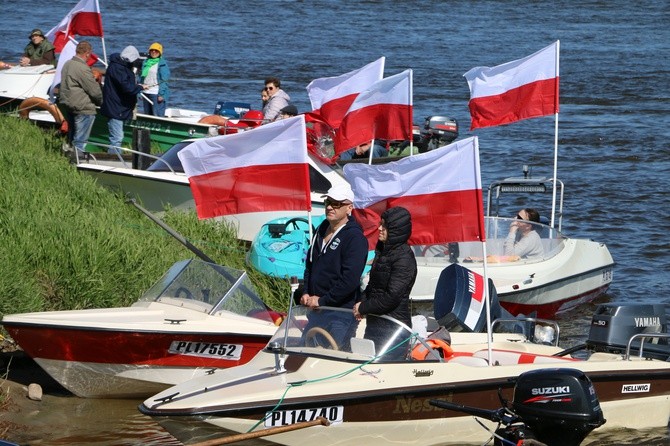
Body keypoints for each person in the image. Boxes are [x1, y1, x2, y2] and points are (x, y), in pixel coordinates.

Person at [300, 183, 369, 348]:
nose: (330, 207)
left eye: (337, 203)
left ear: (349, 208)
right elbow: (310, 265)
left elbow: (350, 279)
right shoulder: (321, 229)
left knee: (333, 360)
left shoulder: (355, 238)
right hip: (317, 312)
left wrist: (323, 300)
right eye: (328, 202)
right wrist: (306, 292)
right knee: (303, 351)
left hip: (340, 314)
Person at [353, 207, 417, 360]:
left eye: (384, 225)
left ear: (395, 230)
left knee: (384, 371)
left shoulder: (404, 259)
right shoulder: (383, 252)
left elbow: (392, 297)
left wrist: (363, 307)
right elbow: (373, 286)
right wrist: (361, 302)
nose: (379, 228)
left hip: (394, 328)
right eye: (380, 224)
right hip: (376, 324)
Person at [59, 41, 103, 157]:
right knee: (80, 141)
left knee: (72, 137)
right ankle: (77, 162)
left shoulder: (67, 64)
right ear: (87, 53)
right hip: (83, 108)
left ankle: (68, 158)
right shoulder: (82, 68)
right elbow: (94, 91)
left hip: (69, 105)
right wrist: (101, 102)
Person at [100, 46, 146, 155]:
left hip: (116, 106)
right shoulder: (118, 68)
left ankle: (114, 157)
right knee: (117, 137)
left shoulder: (118, 66)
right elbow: (127, 88)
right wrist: (140, 87)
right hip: (115, 107)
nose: (136, 62)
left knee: (116, 136)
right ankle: (113, 159)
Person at [140, 42, 170, 117]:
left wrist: (161, 94)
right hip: (145, 92)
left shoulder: (162, 64)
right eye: (152, 50)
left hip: (156, 93)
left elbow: (164, 80)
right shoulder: (145, 62)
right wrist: (139, 90)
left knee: (157, 115)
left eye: (156, 51)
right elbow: (141, 77)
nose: (153, 52)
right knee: (147, 115)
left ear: (160, 52)